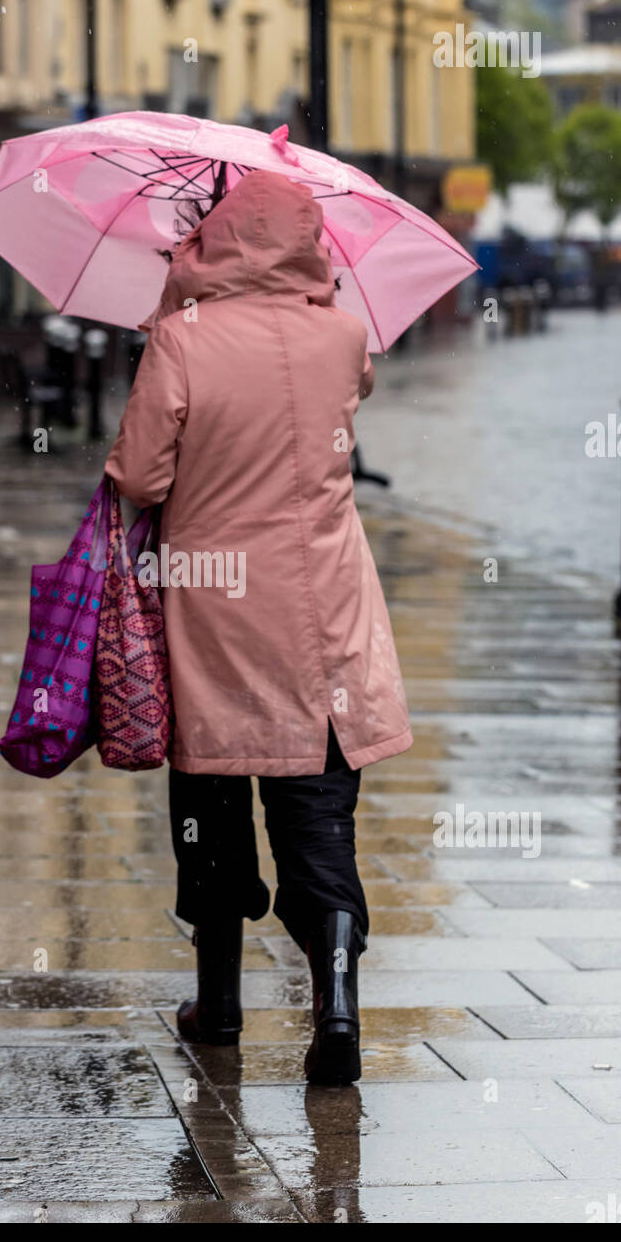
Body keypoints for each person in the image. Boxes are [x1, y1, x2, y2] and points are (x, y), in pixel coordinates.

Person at [105, 170, 412, 1086]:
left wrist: (171, 305)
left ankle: (221, 1004)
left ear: (213, 241)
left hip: (214, 606)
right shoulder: (344, 333)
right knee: (318, 811)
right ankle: (339, 1003)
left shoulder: (181, 340)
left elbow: (137, 477)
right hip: (325, 607)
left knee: (210, 807)